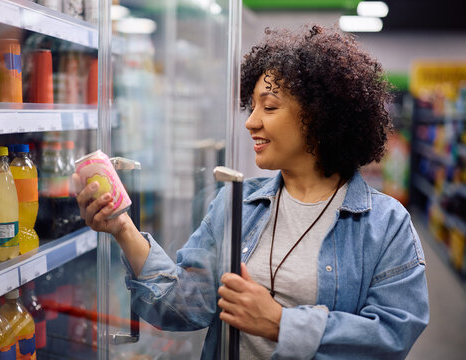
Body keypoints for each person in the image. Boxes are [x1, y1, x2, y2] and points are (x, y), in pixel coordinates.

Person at [75, 25, 429, 359]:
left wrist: (281, 323)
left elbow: (392, 337)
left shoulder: (385, 224)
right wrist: (123, 229)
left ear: (320, 118)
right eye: (253, 105)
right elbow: (184, 306)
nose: (251, 121)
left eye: (269, 107)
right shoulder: (236, 204)